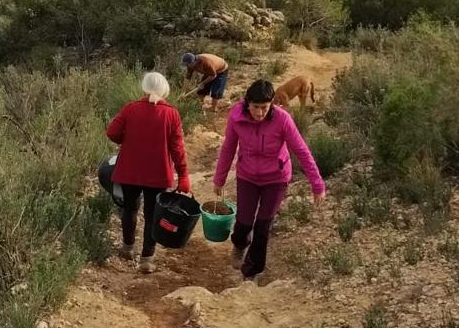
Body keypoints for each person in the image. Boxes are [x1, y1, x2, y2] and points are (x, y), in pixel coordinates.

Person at [213, 79, 325, 282]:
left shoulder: (282, 119)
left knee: (263, 226)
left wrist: (317, 184)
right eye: (256, 107)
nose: (260, 113)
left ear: (272, 103)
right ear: (247, 103)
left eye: (265, 107)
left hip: (276, 179)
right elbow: (228, 148)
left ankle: (251, 272)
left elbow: (301, 150)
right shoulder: (236, 117)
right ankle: (239, 245)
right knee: (243, 224)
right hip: (247, 176)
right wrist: (219, 178)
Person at [106, 72, 191, 274]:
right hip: (158, 173)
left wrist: (126, 140)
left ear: (144, 88)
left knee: (129, 209)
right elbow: (177, 148)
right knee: (153, 215)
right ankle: (147, 258)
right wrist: (184, 175)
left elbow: (112, 132)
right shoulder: (171, 113)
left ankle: (127, 248)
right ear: (164, 90)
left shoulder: (131, 108)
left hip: (130, 170)